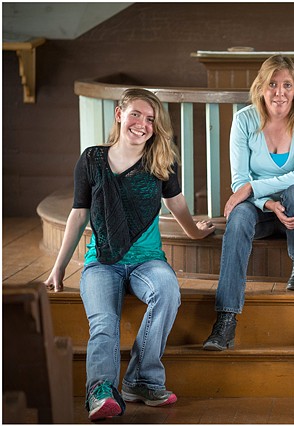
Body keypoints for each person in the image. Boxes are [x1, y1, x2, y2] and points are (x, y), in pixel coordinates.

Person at [43, 88, 216, 421]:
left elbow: (177, 204)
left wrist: (194, 231)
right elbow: (78, 214)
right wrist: (58, 267)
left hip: (147, 261)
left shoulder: (162, 160)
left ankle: (142, 379)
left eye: (150, 119)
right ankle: (101, 392)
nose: (142, 124)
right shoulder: (92, 159)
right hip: (101, 262)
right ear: (120, 114)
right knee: (104, 322)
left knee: (167, 290)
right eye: (136, 114)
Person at [202, 55, 294, 351]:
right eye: (272, 84)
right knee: (238, 217)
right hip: (261, 210)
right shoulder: (244, 120)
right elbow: (239, 179)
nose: (279, 92)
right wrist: (267, 203)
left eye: (287, 85)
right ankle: (226, 319)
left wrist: (252, 188)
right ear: (260, 87)